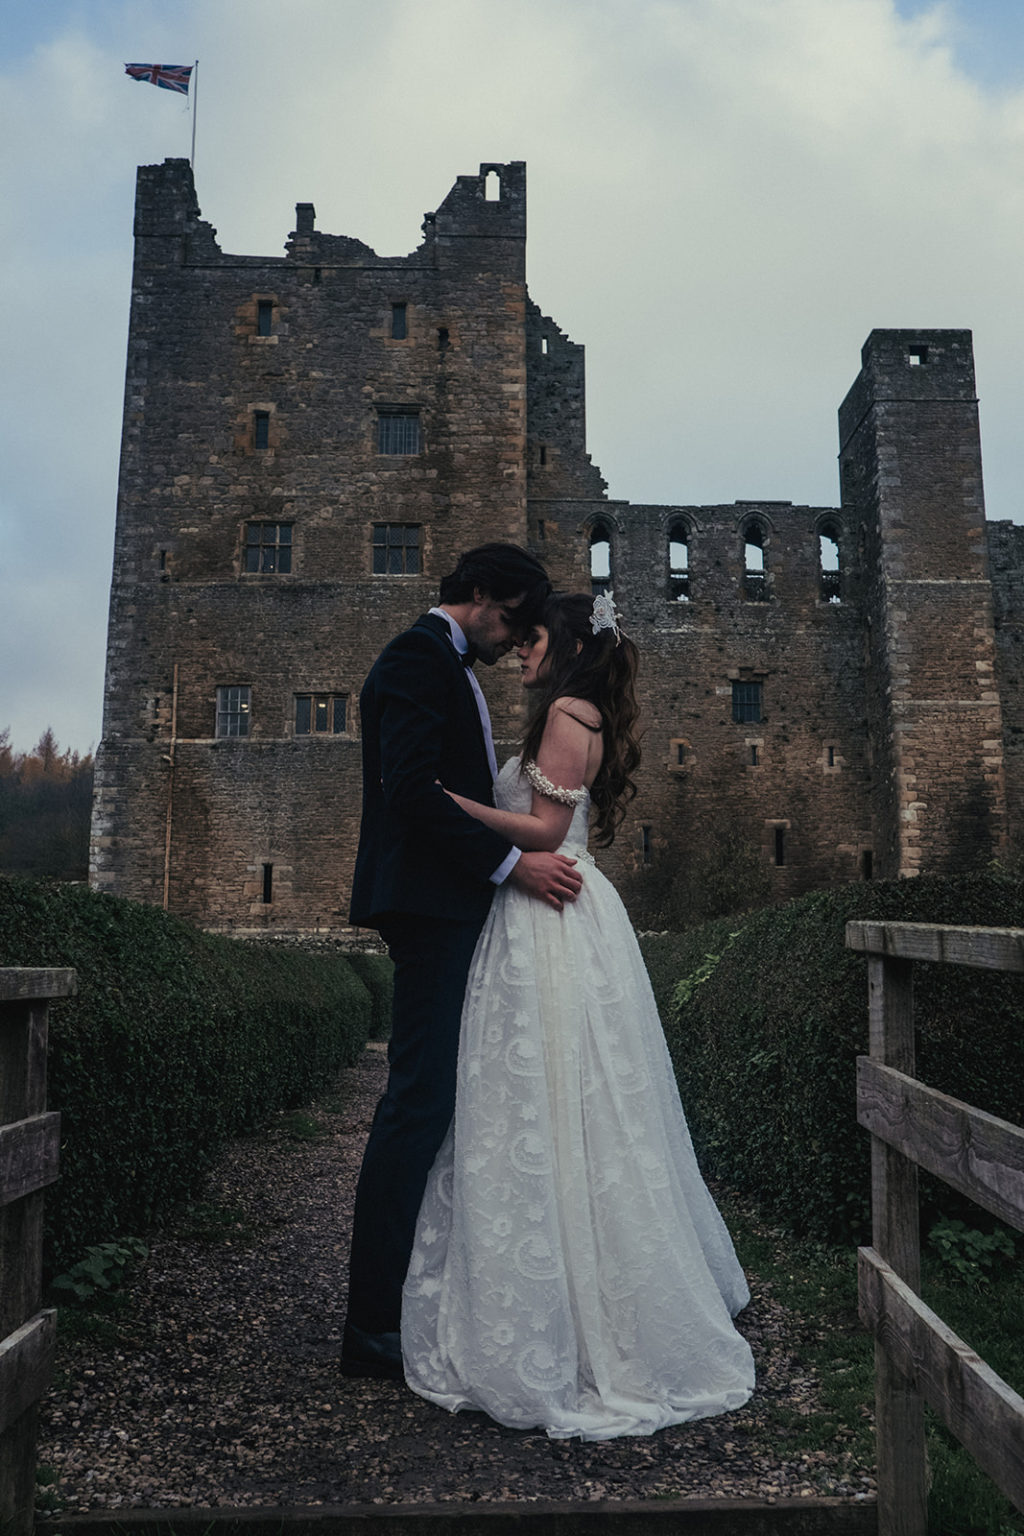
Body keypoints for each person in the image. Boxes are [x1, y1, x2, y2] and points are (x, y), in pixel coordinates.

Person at [402, 591, 756, 1438]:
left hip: (547, 910)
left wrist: (446, 805)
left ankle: (573, 1319)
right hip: (565, 908)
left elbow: (545, 827)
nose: (520, 654)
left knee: (548, 1090)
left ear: (565, 644)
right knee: (580, 1097)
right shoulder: (583, 710)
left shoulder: (566, 711)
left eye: (530, 642)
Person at [343, 545, 584, 1381]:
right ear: (480, 596)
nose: (515, 639)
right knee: (417, 1105)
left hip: (447, 904)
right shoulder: (416, 657)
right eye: (513, 619)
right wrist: (511, 866)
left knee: (433, 1101)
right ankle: (371, 1324)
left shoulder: (445, 667)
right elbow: (411, 792)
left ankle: (400, 1304)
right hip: (428, 905)